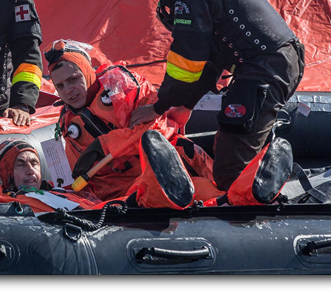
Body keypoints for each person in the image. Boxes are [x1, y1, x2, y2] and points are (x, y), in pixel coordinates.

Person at [131, 0, 303, 201]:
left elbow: (189, 57)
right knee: (230, 142)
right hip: (269, 63)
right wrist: (185, 105)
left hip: (265, 67)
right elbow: (211, 55)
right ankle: (257, 185)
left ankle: (248, 215)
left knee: (230, 166)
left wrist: (159, 106)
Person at [46, 39, 222, 208]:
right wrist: (54, 189)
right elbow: (74, 176)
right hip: (121, 191)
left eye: (73, 79)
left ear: (87, 71)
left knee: (204, 191)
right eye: (60, 86)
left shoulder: (121, 85)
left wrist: (104, 145)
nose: (68, 90)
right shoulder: (66, 122)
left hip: (164, 168)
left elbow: (156, 129)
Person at [0, 138, 101, 214]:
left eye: (34, 163)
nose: (30, 171)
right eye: (20, 164)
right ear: (7, 173)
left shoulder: (66, 191)